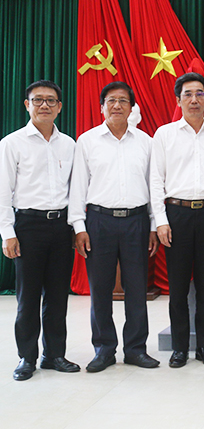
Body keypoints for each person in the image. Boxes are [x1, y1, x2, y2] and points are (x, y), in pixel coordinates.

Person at [68, 81, 160, 373]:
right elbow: (77, 188)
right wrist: (79, 227)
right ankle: (104, 349)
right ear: (101, 107)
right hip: (99, 222)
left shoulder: (146, 142)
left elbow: (154, 186)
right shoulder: (87, 140)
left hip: (136, 220)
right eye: (111, 100)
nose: (117, 105)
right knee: (101, 288)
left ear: (132, 108)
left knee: (136, 287)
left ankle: (135, 349)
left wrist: (155, 224)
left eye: (123, 100)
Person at [150, 73, 204, 368]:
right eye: (188, 94)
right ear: (178, 100)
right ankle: (178, 348)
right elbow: (155, 180)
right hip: (176, 215)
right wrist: (160, 221)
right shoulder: (164, 134)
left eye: (200, 94)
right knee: (176, 286)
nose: (194, 99)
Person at [0, 80, 79, 380]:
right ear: (27, 104)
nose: (44, 105)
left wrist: (74, 226)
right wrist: (7, 232)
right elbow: (2, 192)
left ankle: (55, 354)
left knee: (58, 296)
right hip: (28, 227)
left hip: (60, 227)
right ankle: (26, 358)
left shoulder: (69, 144)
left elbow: (75, 190)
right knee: (28, 298)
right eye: (38, 100)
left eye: (51, 100)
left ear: (60, 106)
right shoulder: (12, 143)